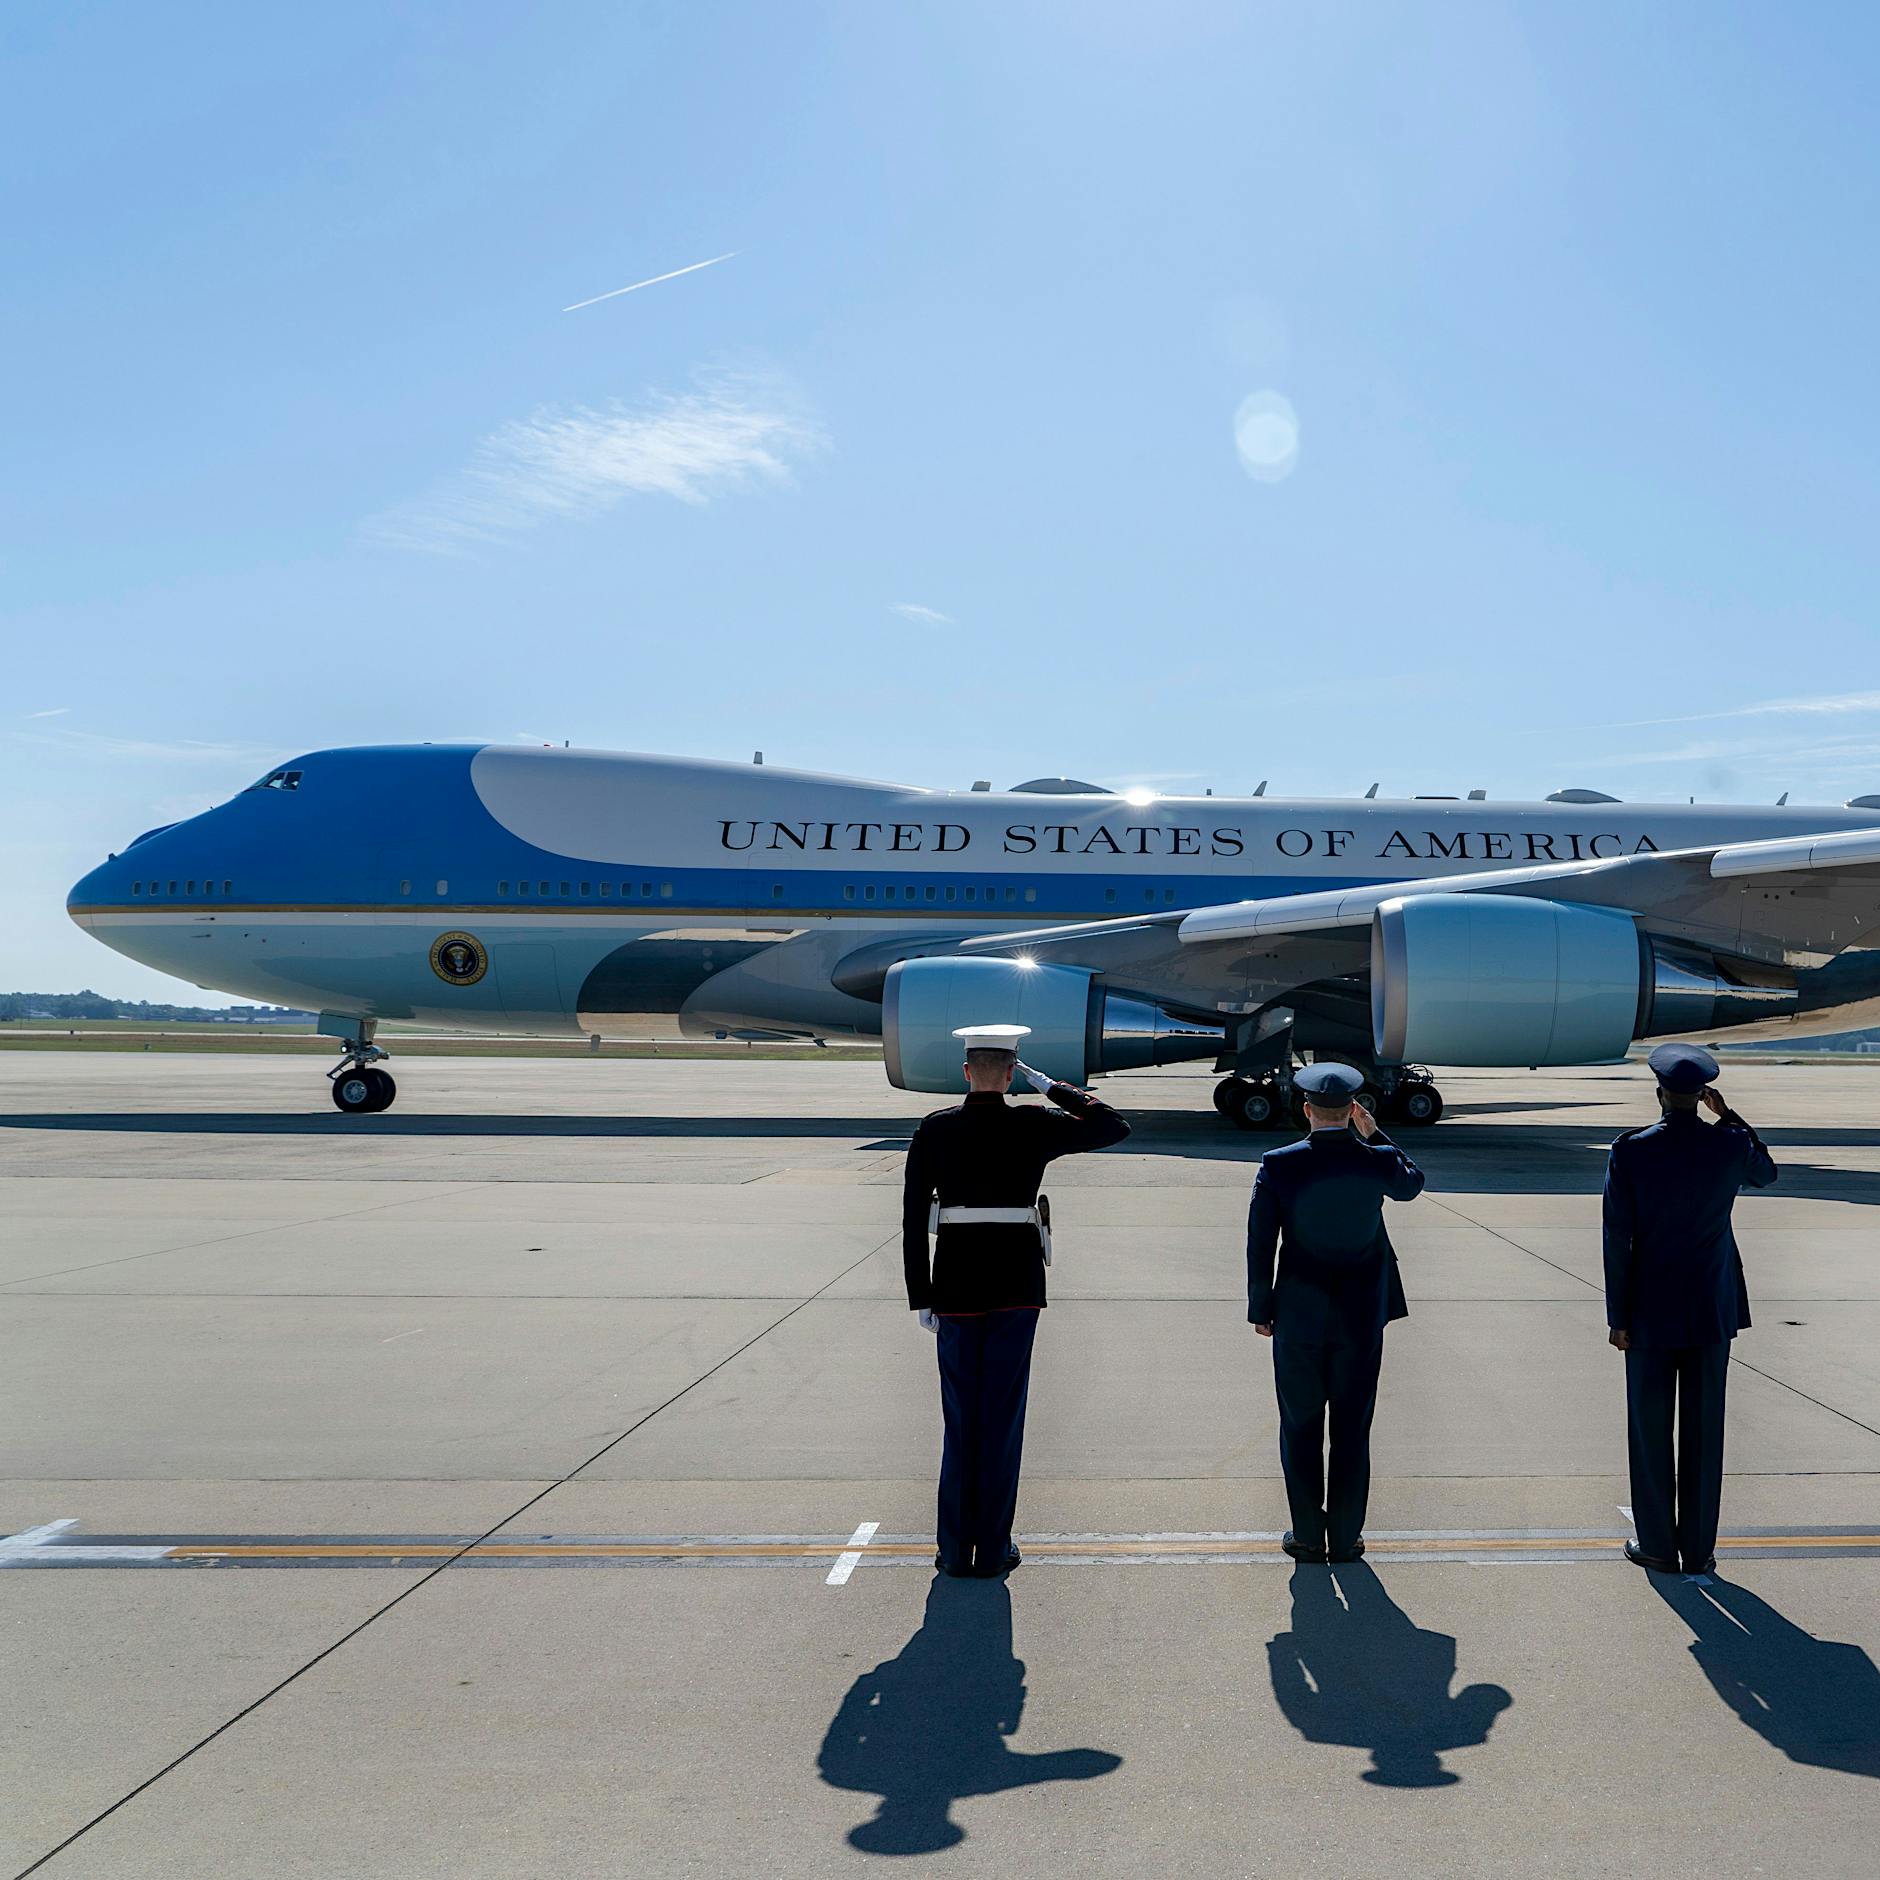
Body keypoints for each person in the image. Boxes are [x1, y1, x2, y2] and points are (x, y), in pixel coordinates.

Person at [902, 1023, 1131, 1577]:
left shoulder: (935, 1129)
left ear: (964, 1072)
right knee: (1001, 1419)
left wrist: (920, 1296)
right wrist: (1051, 1086)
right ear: (1010, 1074)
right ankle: (994, 1545)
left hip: (954, 1284)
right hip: (1016, 1287)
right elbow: (1113, 1126)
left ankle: (955, 1549)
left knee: (961, 1420)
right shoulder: (1032, 1122)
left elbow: (911, 1219)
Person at [1603, 1042, 1777, 1575]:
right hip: (1709, 1307)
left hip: (1649, 1310)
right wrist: (1731, 1117)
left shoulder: (1631, 1150)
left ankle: (1656, 1546)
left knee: (1650, 1430)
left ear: (1660, 1095)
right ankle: (1699, 1550)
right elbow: (1766, 1172)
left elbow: (1618, 1237)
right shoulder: (1727, 1146)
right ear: (1703, 1096)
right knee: (1705, 1431)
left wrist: (1618, 1317)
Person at [1247, 1062, 1427, 1565]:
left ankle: (1307, 1535)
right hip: (1359, 1317)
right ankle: (1345, 1538)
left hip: (1298, 1315)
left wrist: (1261, 1308)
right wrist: (1376, 1134)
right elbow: (1411, 1183)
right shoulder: (1373, 1159)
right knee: (1352, 1427)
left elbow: (1261, 1242)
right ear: (1353, 1110)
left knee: (1300, 1425)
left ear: (1305, 1110)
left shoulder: (1279, 1163)